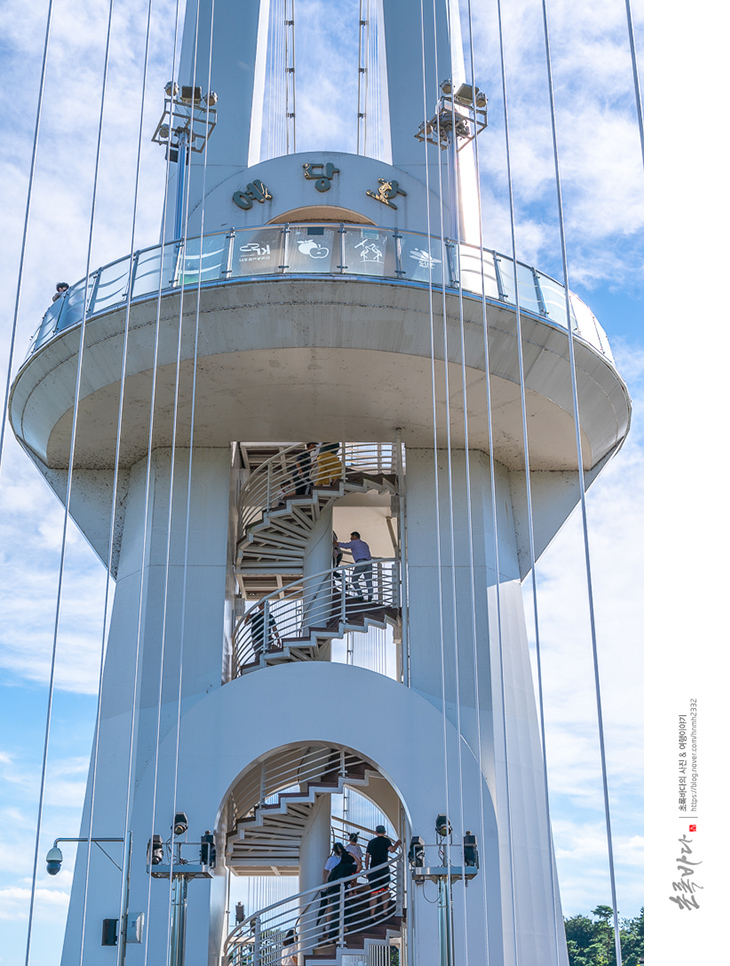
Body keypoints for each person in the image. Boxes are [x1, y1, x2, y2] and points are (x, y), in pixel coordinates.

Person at [364, 826, 401, 920]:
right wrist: (397, 844)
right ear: (384, 832)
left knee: (374, 892)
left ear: (375, 832)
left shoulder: (371, 842)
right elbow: (392, 850)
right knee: (385, 890)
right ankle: (385, 911)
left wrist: (367, 869)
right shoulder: (386, 841)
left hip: (373, 869)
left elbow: (367, 856)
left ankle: (372, 915)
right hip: (383, 868)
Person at [338, 532, 373, 601]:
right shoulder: (365, 544)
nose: (350, 539)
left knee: (354, 579)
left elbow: (345, 545)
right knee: (368, 580)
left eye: (351, 537)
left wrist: (336, 543)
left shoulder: (355, 542)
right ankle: (370, 596)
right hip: (369, 563)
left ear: (354, 537)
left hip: (360, 562)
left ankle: (360, 595)